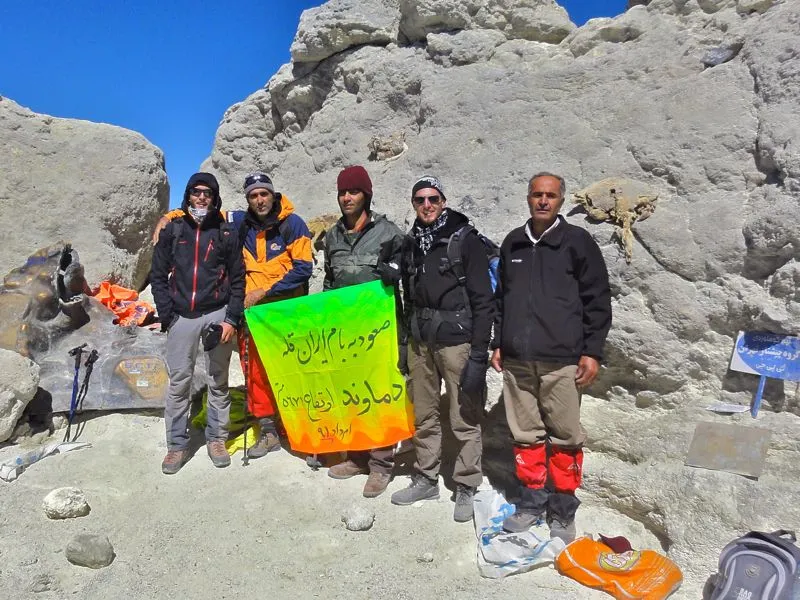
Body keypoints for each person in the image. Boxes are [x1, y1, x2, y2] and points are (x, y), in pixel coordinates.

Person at [153, 172, 313, 459]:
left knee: (291, 369)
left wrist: (261, 293)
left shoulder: (293, 224)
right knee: (255, 372)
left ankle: (299, 426)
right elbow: (201, 213)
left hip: (286, 311)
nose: (259, 199)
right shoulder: (239, 222)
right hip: (249, 315)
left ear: (273, 195)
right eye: (253, 195)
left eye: (264, 193)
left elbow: (303, 269)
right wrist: (171, 215)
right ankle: (268, 430)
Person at [490, 172, 612, 542]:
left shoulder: (577, 243)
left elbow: (597, 300)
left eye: (552, 196)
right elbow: (502, 299)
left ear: (561, 201)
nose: (544, 201)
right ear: (528, 198)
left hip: (562, 361)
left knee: (565, 438)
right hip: (517, 360)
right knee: (525, 435)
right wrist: (499, 341)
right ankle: (530, 504)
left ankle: (562, 509)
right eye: (537, 195)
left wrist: (592, 351)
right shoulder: (513, 243)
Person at [390, 176, 495, 523]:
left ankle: (466, 484)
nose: (427, 205)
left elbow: (484, 300)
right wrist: (406, 343)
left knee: (464, 416)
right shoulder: (412, 244)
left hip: (458, 342)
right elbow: (405, 298)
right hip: (421, 341)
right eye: (419, 200)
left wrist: (479, 354)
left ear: (444, 201)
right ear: (413, 204)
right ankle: (426, 476)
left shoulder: (465, 241)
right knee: (424, 413)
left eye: (433, 199)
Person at [150, 172, 245, 474]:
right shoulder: (174, 230)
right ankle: (177, 446)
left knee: (218, 380)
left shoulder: (226, 233)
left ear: (215, 199)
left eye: (207, 193)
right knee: (179, 384)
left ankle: (216, 438)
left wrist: (231, 318)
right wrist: (167, 315)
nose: (201, 197)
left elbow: (239, 279)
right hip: (181, 317)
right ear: (188, 196)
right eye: (196, 192)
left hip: (217, 314)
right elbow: (158, 274)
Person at [323, 165, 405, 498]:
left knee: (380, 396)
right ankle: (356, 457)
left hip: (379, 331)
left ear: (366, 195)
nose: (347, 197)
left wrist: (395, 272)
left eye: (353, 192)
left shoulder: (389, 233)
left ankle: (382, 465)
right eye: (343, 192)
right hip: (346, 332)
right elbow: (329, 281)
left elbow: (407, 273)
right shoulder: (332, 236)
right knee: (351, 395)